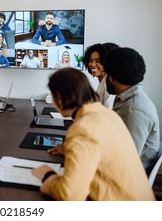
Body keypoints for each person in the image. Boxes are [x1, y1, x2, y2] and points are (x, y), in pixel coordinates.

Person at [31, 68, 155, 201]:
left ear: (59, 99)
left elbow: (70, 195)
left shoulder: (82, 128)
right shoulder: (107, 114)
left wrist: (48, 176)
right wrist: (73, 150)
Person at [104, 47, 160, 172]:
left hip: (125, 181)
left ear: (111, 77)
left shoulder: (134, 110)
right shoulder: (126, 99)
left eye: (106, 75)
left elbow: (124, 162)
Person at [82, 42, 119, 108]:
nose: (92, 64)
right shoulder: (102, 82)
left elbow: (108, 110)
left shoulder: (110, 84)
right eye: (90, 60)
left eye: (97, 61)